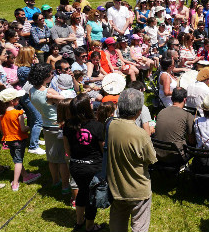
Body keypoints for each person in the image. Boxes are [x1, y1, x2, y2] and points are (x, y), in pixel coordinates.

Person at [107, 89, 157, 232]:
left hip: (116, 186)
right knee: (139, 226)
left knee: (117, 220)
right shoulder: (141, 135)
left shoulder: (110, 125)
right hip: (138, 189)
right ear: (139, 111)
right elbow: (151, 159)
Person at [62, 94, 105, 232]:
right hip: (93, 168)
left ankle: (79, 221)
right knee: (91, 197)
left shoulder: (67, 126)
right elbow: (103, 148)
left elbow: (67, 150)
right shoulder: (97, 126)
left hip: (75, 166)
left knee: (82, 192)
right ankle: (90, 226)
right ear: (87, 108)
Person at [28, 63, 70, 193]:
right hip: (58, 126)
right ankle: (65, 186)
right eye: (50, 74)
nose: (52, 76)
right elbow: (66, 102)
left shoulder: (31, 91)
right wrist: (56, 96)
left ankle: (55, 181)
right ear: (44, 76)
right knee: (63, 159)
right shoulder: (49, 92)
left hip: (46, 125)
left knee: (52, 157)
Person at [0, 88, 41, 191]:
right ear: (12, 101)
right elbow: (23, 128)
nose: (19, 100)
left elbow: (0, 129)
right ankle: (16, 183)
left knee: (16, 158)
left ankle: (25, 175)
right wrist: (29, 127)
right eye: (17, 99)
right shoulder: (18, 113)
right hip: (19, 140)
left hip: (8, 140)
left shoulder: (1, 114)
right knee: (18, 161)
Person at [154, 87, 196, 164]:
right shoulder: (187, 115)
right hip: (176, 156)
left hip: (158, 154)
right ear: (184, 100)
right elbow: (192, 140)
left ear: (171, 99)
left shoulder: (161, 112)